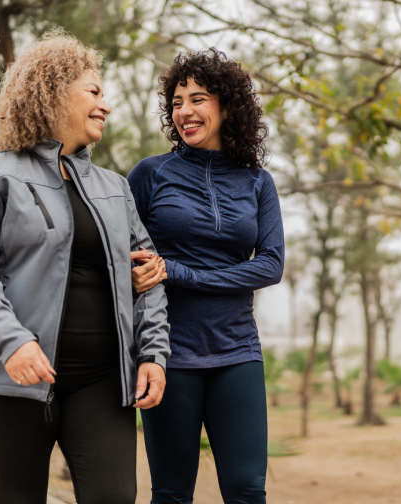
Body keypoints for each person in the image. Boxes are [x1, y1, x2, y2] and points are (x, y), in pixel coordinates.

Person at [0, 30, 170, 504]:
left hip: (102, 381)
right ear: (53, 93)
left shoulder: (115, 188)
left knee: (114, 497)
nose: (105, 105)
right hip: (12, 378)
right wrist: (13, 341)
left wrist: (153, 354)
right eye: (94, 92)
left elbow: (148, 276)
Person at [127, 48, 284, 504]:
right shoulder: (151, 174)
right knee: (171, 494)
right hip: (168, 352)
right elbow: (125, 255)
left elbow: (270, 264)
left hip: (237, 350)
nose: (184, 112)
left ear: (227, 106)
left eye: (198, 99)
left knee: (247, 490)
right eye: (177, 103)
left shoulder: (257, 181)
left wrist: (180, 273)